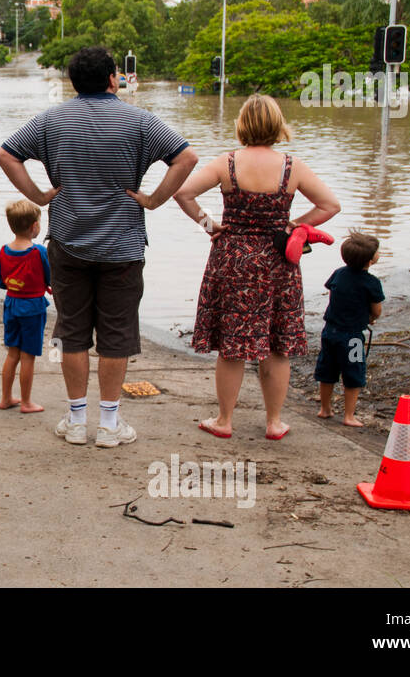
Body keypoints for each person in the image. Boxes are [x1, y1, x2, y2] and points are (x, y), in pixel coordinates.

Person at [0, 46, 198, 448]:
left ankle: (75, 422)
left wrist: (39, 194)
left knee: (71, 333)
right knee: (116, 335)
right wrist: (153, 201)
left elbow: (6, 155)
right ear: (113, 79)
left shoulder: (51, 120)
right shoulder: (140, 121)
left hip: (68, 243)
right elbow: (186, 158)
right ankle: (108, 424)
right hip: (123, 247)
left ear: (73, 83)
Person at [141, 94, 339, 440]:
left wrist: (208, 224)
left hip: (232, 259)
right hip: (277, 262)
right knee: (276, 344)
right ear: (278, 126)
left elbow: (183, 194)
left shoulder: (227, 164)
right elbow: (330, 204)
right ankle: (274, 422)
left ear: (242, 125)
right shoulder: (293, 167)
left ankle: (224, 420)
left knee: (232, 344)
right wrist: (293, 226)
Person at [315, 232, 384, 427]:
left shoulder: (338, 273)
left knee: (327, 369)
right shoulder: (371, 283)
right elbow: (377, 310)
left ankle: (325, 408)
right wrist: (371, 318)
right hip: (352, 337)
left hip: (330, 332)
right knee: (354, 372)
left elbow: (334, 294)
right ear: (370, 260)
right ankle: (349, 415)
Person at [0, 199, 52, 414]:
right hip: (33, 308)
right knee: (28, 356)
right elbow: (50, 277)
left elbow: (0, 281)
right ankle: (27, 402)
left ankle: (6, 397)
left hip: (11, 304)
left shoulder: (3, 251)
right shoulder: (39, 252)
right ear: (34, 227)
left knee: (12, 354)